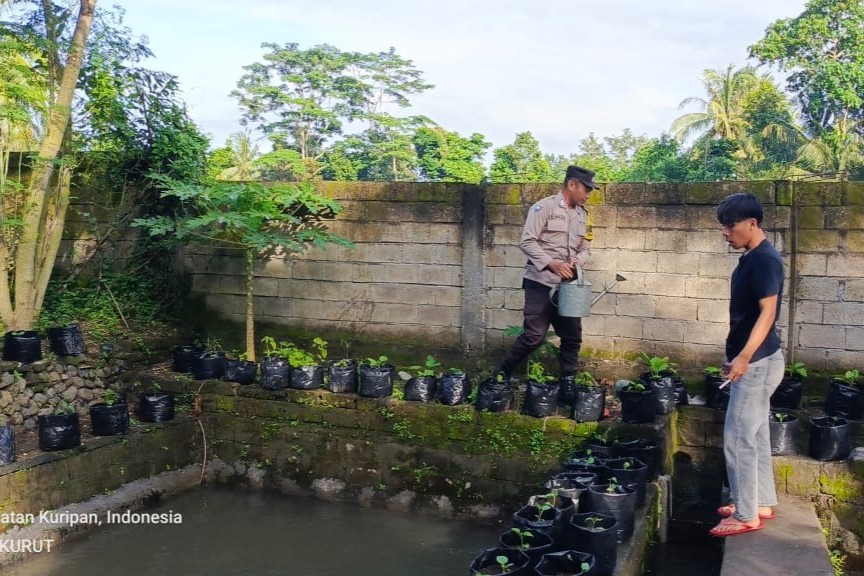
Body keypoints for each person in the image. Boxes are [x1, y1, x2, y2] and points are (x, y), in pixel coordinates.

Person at [709, 192, 785, 537]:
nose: (726, 233)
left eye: (730, 226)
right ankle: (760, 502)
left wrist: (743, 357)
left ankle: (745, 513)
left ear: (752, 224)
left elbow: (768, 313)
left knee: (737, 438)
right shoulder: (752, 257)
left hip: (758, 363)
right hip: (756, 359)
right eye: (723, 227)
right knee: (754, 434)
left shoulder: (765, 260)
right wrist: (735, 354)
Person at [494, 165, 597, 381]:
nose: (588, 195)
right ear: (572, 184)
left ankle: (567, 385)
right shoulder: (544, 208)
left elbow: (586, 249)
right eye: (586, 190)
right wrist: (552, 264)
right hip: (540, 282)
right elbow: (527, 241)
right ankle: (500, 375)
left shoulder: (583, 216)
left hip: (567, 288)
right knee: (533, 336)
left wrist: (578, 260)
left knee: (572, 337)